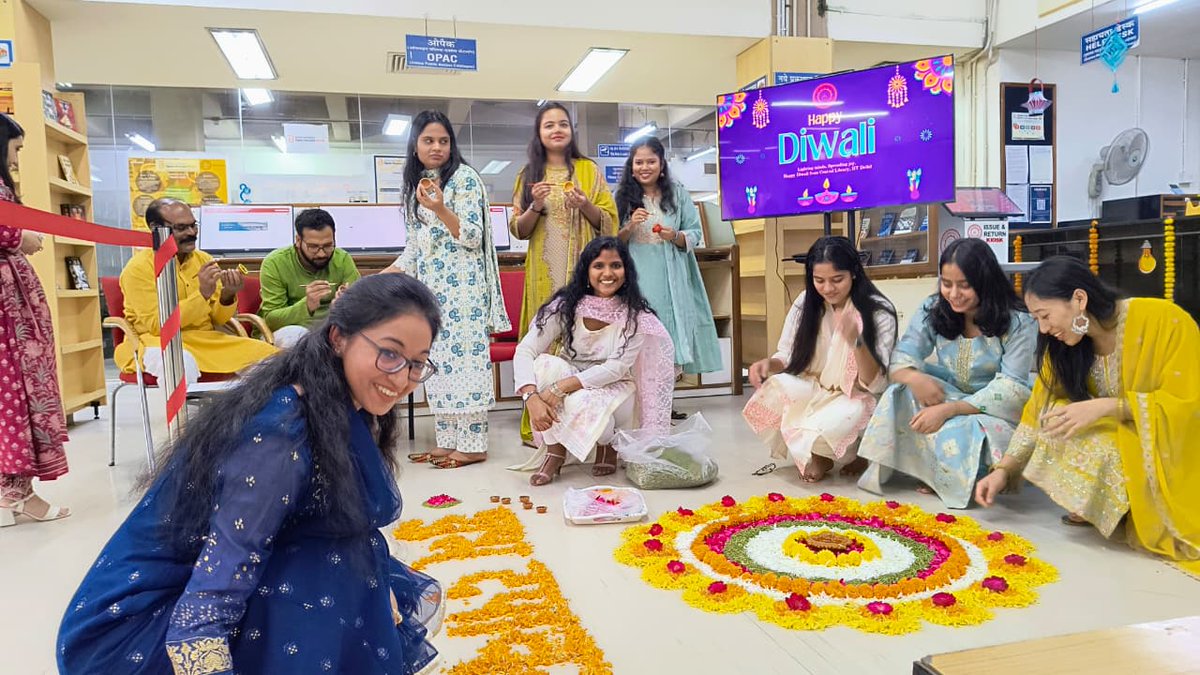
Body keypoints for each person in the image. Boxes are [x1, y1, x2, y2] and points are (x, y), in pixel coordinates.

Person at [58, 274, 445, 674]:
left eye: (417, 363)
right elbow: (216, 585)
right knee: (331, 564)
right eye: (389, 353)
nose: (402, 377)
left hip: (216, 584)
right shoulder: (280, 433)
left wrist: (376, 583)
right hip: (141, 624)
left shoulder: (338, 402)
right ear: (338, 338)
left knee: (348, 553)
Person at [975, 257, 1200, 574]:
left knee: (1080, 421)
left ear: (1079, 299)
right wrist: (1004, 470)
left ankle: (1135, 509)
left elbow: (1189, 405)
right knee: (1057, 414)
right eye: (1037, 319)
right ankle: (1109, 507)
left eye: (1045, 315)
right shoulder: (1064, 346)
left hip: (1173, 453)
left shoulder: (1164, 321)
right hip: (1121, 443)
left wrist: (1110, 407)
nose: (1044, 328)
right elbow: (1038, 410)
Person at [857, 238, 1037, 508]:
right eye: (947, 283)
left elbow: (1011, 387)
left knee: (968, 427)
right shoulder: (933, 308)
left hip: (993, 409)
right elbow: (901, 358)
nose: (953, 294)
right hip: (950, 393)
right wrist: (915, 378)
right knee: (899, 392)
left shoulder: (1019, 321)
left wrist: (949, 410)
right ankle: (935, 473)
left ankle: (958, 477)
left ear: (985, 282)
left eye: (964, 285)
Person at [385, 111, 509, 469]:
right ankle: (447, 442)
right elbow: (414, 250)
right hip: (431, 294)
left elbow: (472, 236)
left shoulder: (464, 179)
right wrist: (377, 277)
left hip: (465, 291)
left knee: (465, 366)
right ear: (415, 146)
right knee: (437, 363)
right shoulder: (417, 187)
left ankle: (473, 445)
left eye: (443, 140)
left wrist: (440, 208)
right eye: (429, 140)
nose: (437, 147)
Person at [509, 237, 673, 486]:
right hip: (569, 378)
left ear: (626, 271)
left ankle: (608, 443)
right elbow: (525, 350)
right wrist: (530, 397)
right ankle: (555, 451)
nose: (608, 273)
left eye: (615, 265)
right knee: (544, 365)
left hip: (615, 387)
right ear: (586, 270)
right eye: (599, 266)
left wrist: (561, 387)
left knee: (577, 398)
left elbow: (616, 368)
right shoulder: (566, 306)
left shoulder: (636, 315)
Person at [742, 236, 897, 483]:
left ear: (854, 273)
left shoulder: (877, 311)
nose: (828, 289)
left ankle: (854, 451)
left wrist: (857, 342)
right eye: (819, 280)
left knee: (846, 417)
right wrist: (768, 365)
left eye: (837, 280)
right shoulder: (806, 302)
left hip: (854, 395)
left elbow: (874, 383)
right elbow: (787, 356)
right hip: (814, 387)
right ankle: (821, 455)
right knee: (776, 388)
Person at [509, 102, 619, 444]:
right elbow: (518, 230)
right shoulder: (527, 175)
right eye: (549, 125)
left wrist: (584, 204)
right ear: (539, 133)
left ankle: (586, 423)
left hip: (581, 272)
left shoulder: (588, 170)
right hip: (544, 271)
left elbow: (609, 222)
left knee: (582, 340)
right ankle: (542, 426)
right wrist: (535, 205)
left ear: (571, 131)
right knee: (543, 340)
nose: (556, 130)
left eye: (562, 124)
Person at [113, 198, 278, 384]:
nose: (191, 233)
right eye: (181, 228)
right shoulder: (138, 269)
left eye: (193, 225)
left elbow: (218, 319)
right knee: (180, 362)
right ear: (155, 228)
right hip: (155, 341)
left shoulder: (203, 260)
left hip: (206, 341)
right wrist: (202, 294)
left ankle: (260, 405)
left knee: (273, 360)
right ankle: (183, 406)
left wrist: (227, 295)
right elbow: (157, 325)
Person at [615, 137, 722, 416]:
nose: (645, 167)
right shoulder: (622, 197)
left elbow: (695, 233)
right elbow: (611, 242)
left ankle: (663, 404)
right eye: (639, 162)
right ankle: (639, 407)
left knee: (669, 337)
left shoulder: (678, 194)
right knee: (641, 337)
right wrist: (630, 226)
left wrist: (674, 235)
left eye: (651, 161)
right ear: (631, 166)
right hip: (637, 277)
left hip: (673, 277)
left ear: (661, 164)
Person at [0, 112, 70, 527]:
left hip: (13, 304)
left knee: (15, 394)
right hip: (7, 311)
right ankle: (15, 494)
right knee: (17, 391)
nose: (16, 158)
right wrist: (17, 237)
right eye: (15, 148)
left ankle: (12, 491)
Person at [259, 208, 361, 348]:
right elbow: (272, 320)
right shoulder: (275, 263)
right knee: (297, 336)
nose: (321, 254)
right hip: (287, 331)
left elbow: (360, 305)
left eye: (328, 246)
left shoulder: (342, 259)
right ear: (298, 240)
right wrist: (306, 305)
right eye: (313, 247)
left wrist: (344, 305)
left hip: (331, 328)